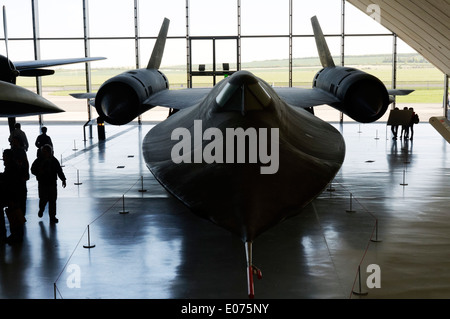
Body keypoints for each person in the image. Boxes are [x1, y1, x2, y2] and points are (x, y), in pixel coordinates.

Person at [31, 144, 66, 224]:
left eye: (46, 152)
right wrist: (39, 172)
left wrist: (63, 179)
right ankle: (41, 209)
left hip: (52, 183)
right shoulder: (39, 160)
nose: (44, 153)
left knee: (52, 201)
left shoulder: (54, 160)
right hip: (43, 183)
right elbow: (33, 169)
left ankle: (52, 216)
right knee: (43, 199)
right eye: (43, 152)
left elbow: (59, 170)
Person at [0, 149, 26, 245]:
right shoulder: (13, 166)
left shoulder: (11, 167)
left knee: (14, 215)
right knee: (15, 215)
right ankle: (16, 235)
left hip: (13, 195)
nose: (3, 158)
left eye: (4, 156)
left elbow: (10, 182)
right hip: (16, 194)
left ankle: (15, 235)